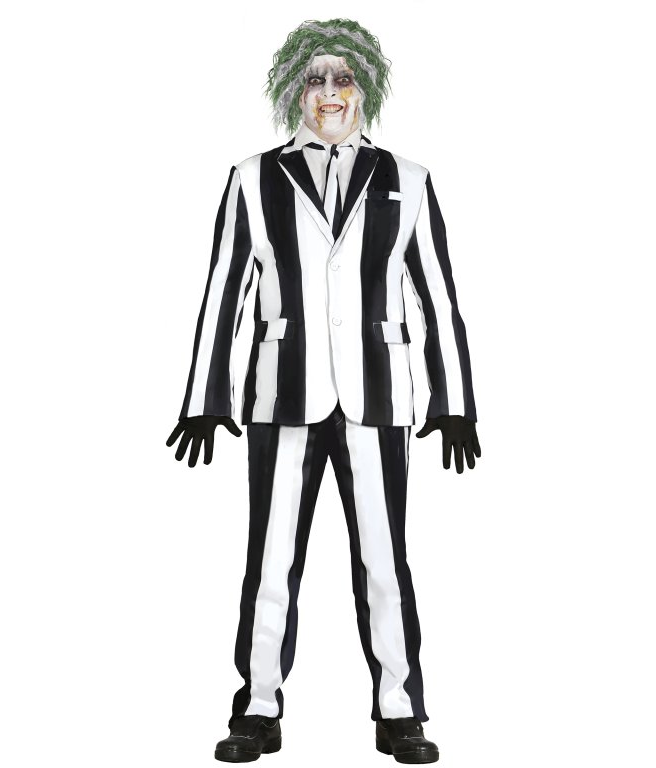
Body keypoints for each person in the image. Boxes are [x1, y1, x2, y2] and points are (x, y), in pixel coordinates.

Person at [166, 18, 480, 764]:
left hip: (378, 396)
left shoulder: (408, 179)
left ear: (366, 88)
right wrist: (206, 397)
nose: (330, 93)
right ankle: (258, 707)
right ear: (292, 90)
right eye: (315, 79)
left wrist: (454, 401)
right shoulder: (253, 177)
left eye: (343, 78)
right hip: (283, 395)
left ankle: (400, 710)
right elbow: (223, 291)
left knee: (385, 561)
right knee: (271, 560)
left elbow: (437, 295)